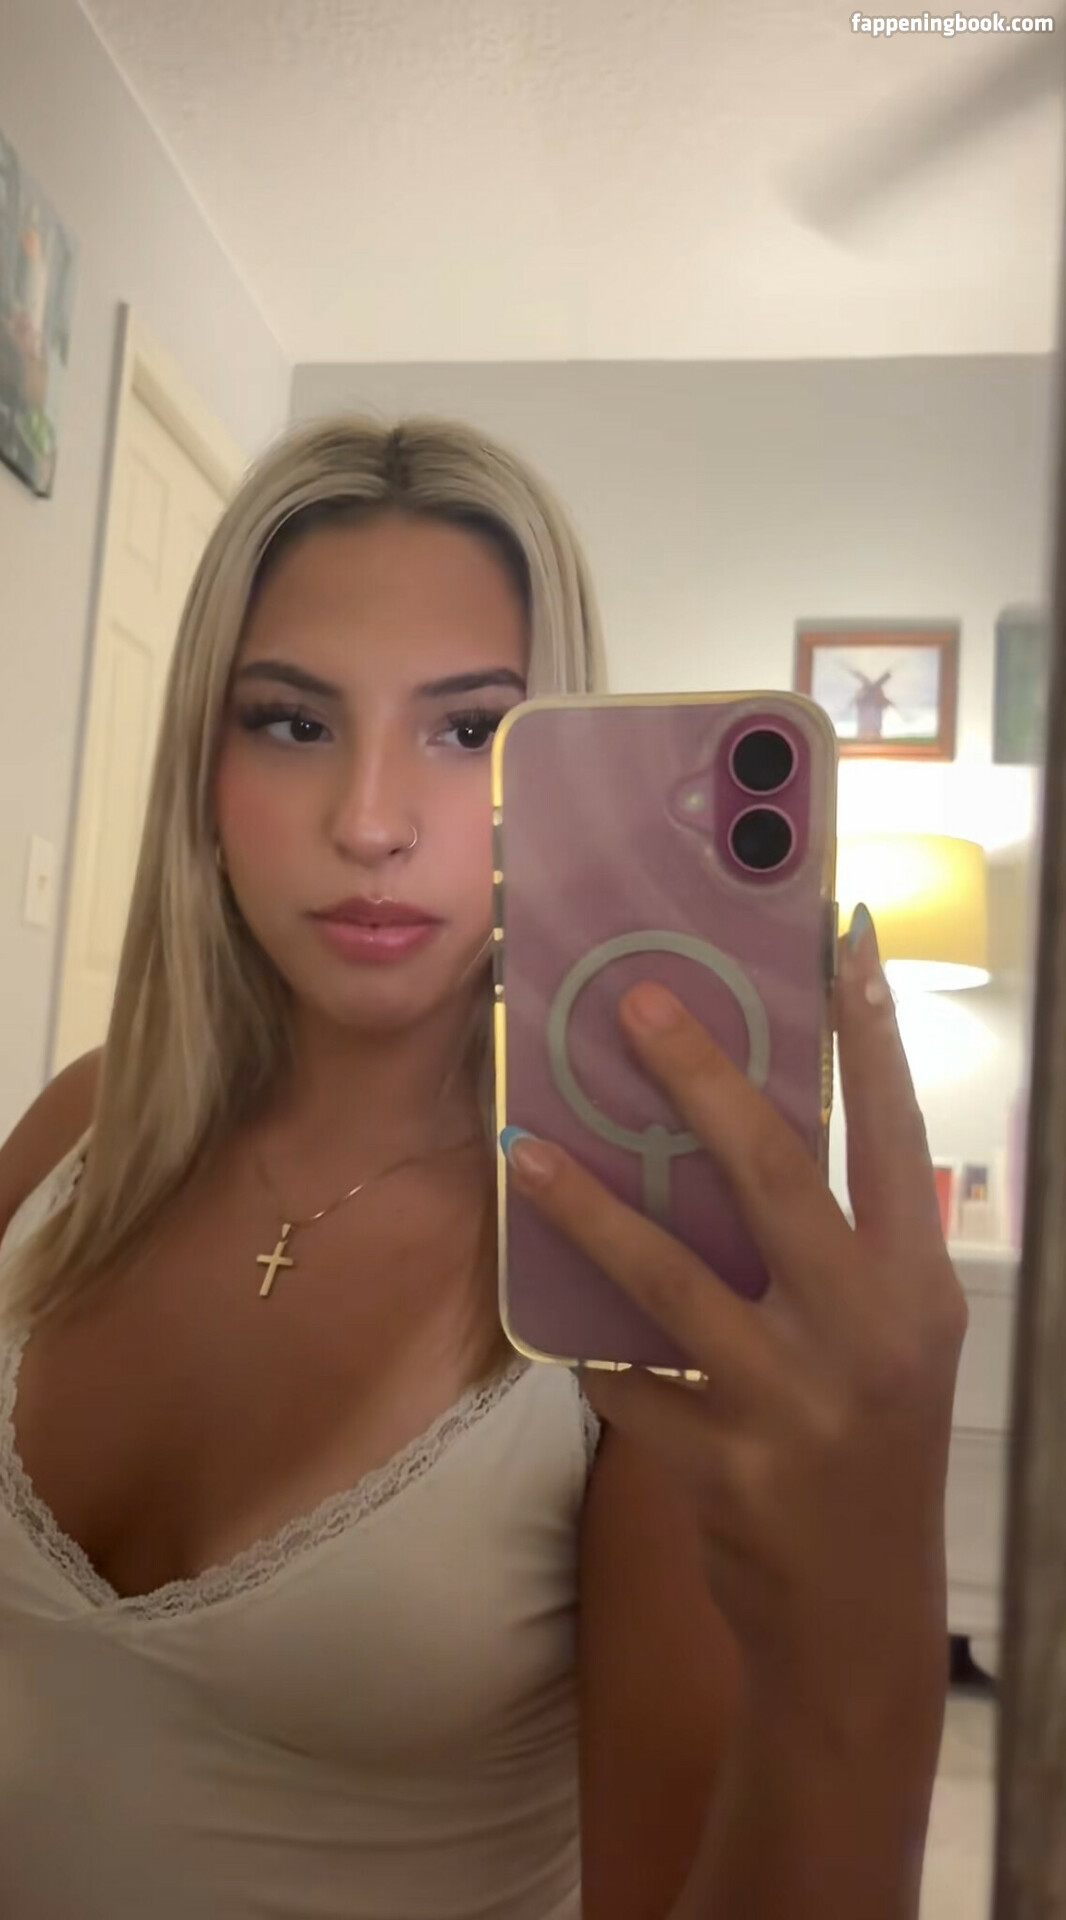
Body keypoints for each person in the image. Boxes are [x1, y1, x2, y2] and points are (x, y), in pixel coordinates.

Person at [0, 417, 967, 1920]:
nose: (369, 822)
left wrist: (867, 1637)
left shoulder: (626, 1276)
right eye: (291, 721)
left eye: (467, 733)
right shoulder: (82, 1130)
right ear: (203, 761)